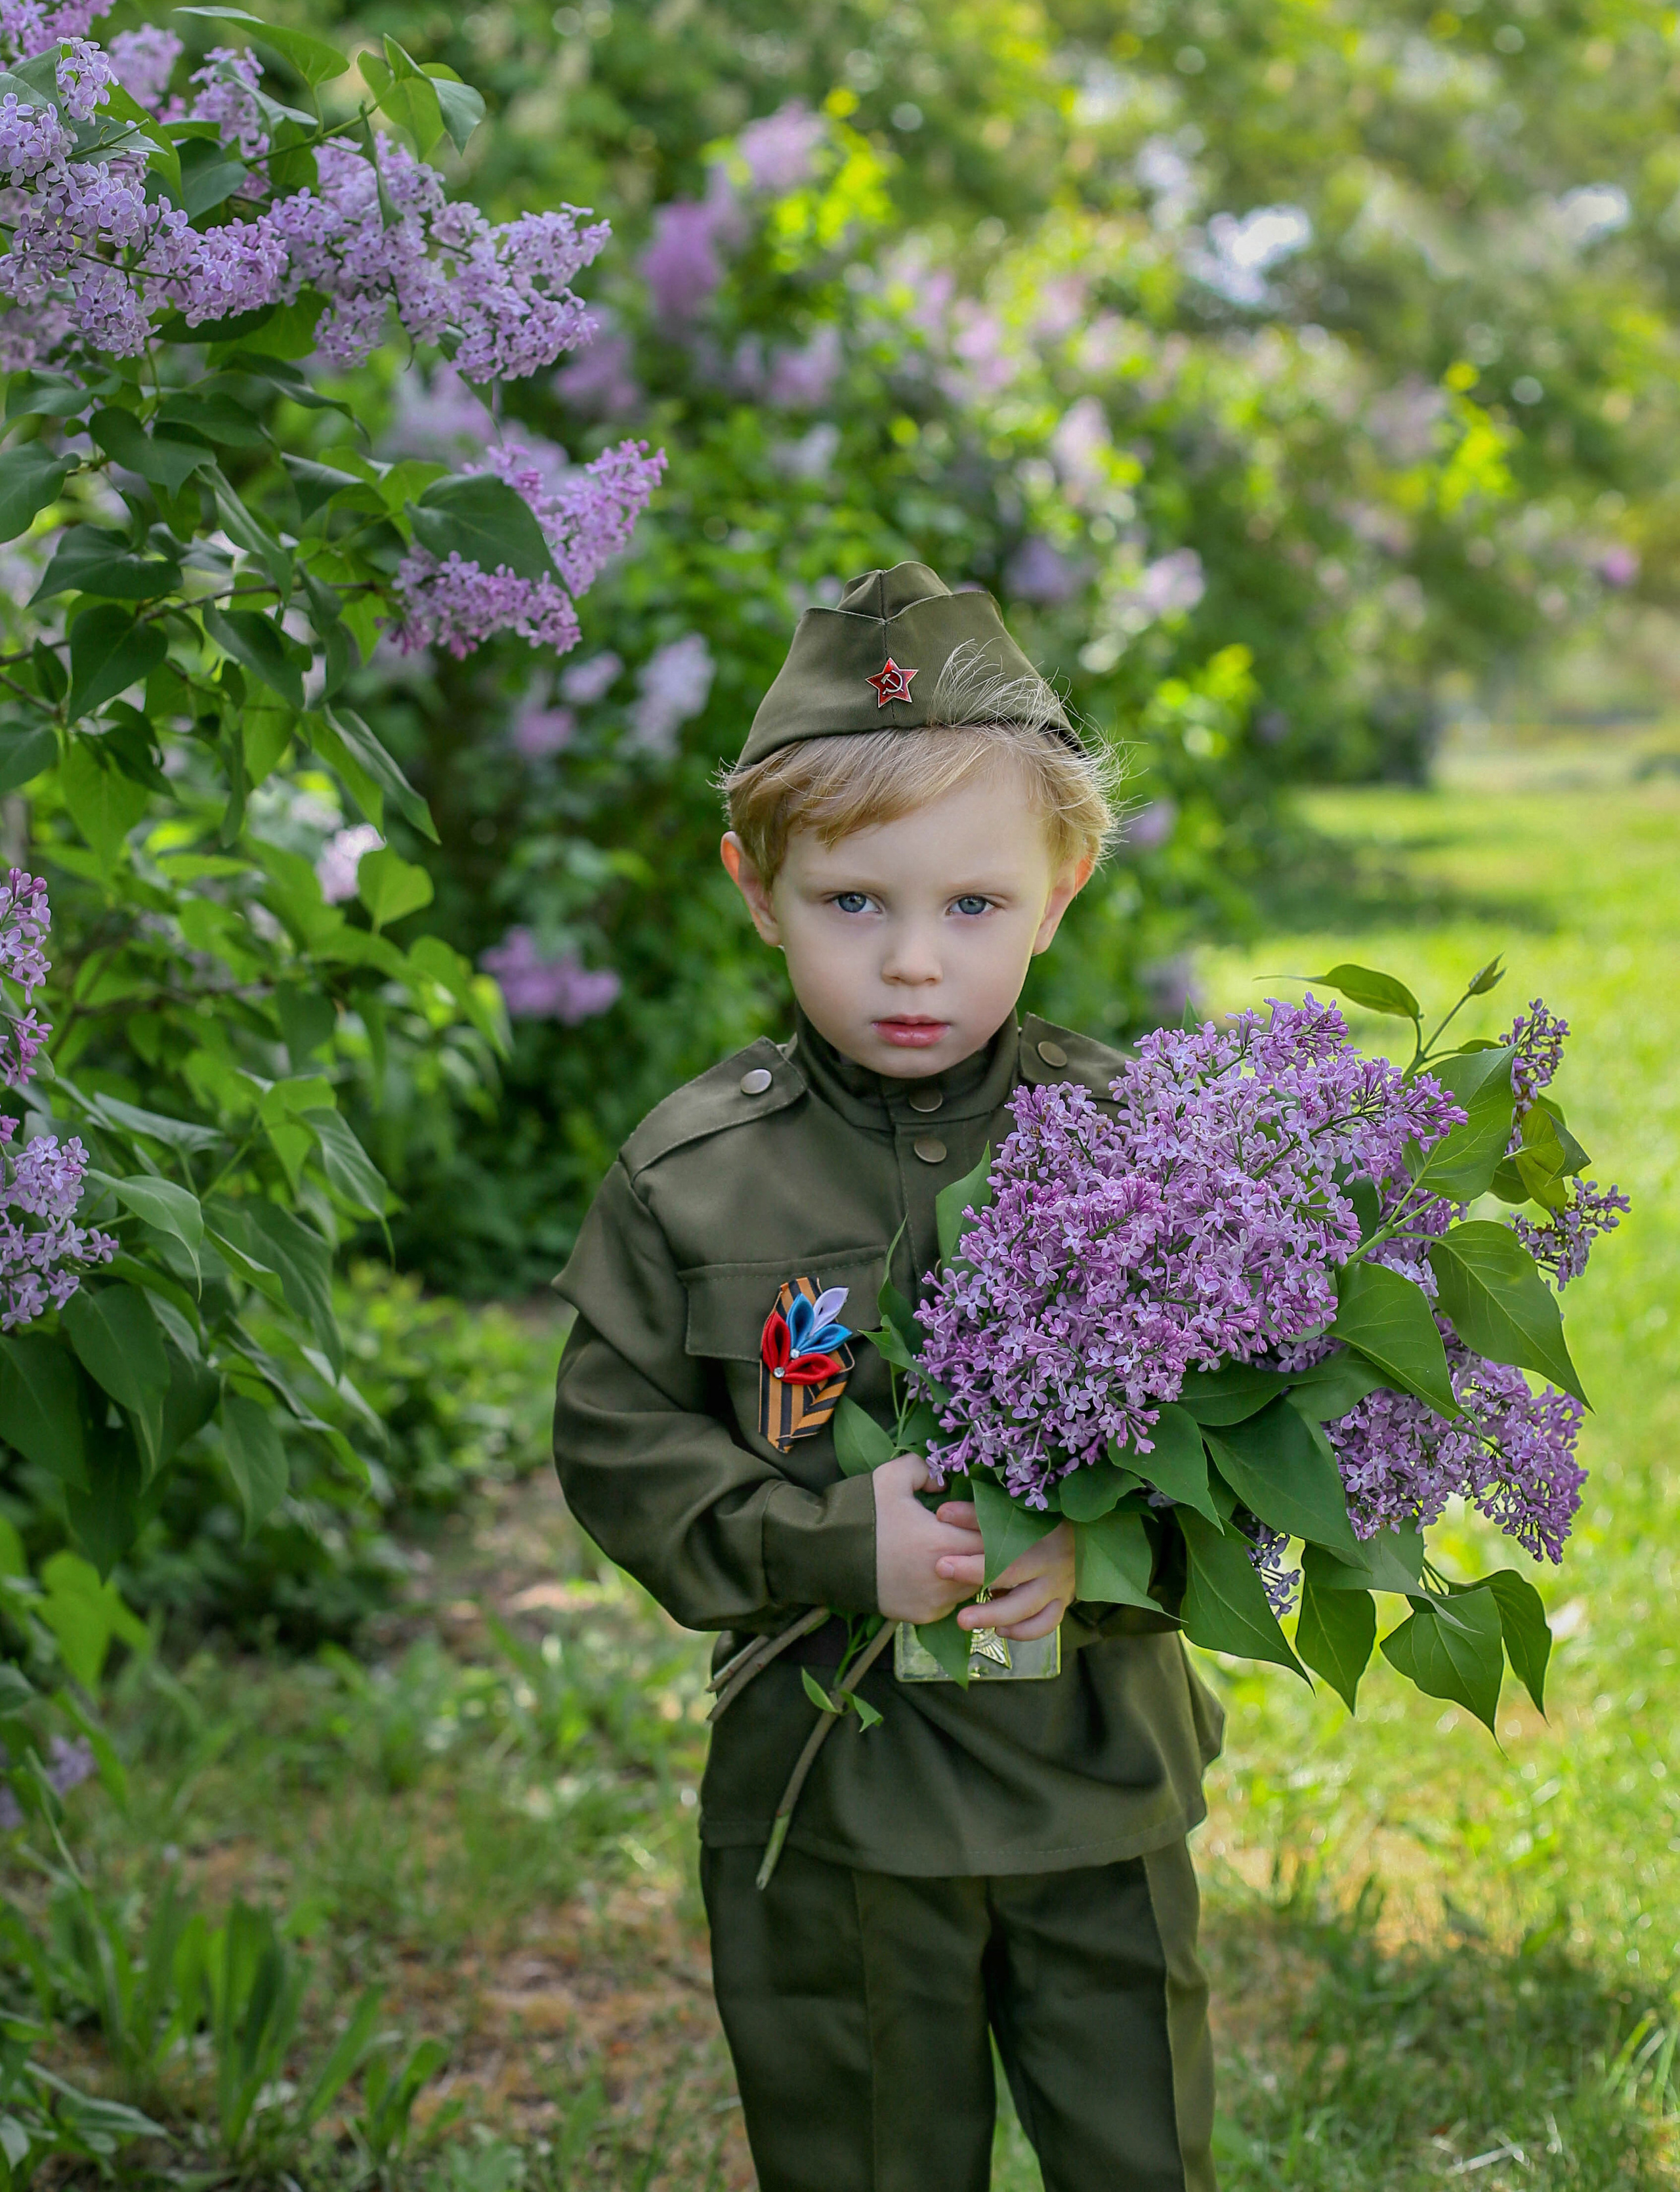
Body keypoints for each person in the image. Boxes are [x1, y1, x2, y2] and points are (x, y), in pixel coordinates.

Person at [551, 563, 1224, 2192]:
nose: (912, 962)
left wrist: (1102, 1552)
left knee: (1137, 2153)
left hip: (1093, 1789)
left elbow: (1263, 1438)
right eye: (855, 901)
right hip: (826, 1809)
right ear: (756, 886)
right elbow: (618, 1436)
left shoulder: (1154, 1156)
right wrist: (818, 1541)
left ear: (1060, 888)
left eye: (972, 904)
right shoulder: (697, 1176)